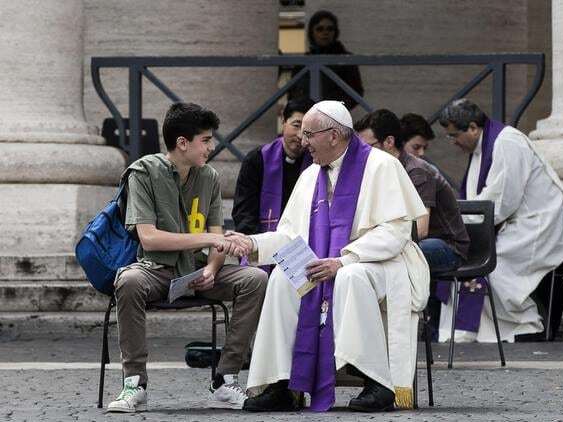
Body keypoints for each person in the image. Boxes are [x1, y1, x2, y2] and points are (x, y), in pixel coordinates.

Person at [222, 101, 429, 412]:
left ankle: (378, 383)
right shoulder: (310, 175)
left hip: (378, 264)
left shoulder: (382, 166)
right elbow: (291, 237)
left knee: (350, 276)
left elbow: (395, 233)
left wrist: (343, 260)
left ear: (333, 135)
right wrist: (251, 243)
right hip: (323, 264)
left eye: (309, 134)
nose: (303, 142)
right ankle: (282, 385)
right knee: (283, 276)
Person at [106, 103, 267, 413]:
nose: (211, 146)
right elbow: (149, 237)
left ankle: (225, 378)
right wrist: (209, 239)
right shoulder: (143, 172)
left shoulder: (209, 177)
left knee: (255, 279)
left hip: (196, 271)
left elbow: (218, 237)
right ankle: (134, 384)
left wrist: (212, 266)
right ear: (183, 143)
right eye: (205, 140)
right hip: (156, 269)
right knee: (128, 280)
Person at [436, 99, 563, 343]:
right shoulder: (482, 147)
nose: (453, 142)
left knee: (492, 266)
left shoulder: (508, 142)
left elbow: (503, 200)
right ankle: (476, 329)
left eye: (454, 135)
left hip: (537, 224)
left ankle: (524, 325)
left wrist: (464, 222)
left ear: (472, 128)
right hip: (513, 222)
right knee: (472, 259)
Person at [355, 109, 469, 273]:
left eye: (367, 147)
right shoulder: (377, 170)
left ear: (389, 142)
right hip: (407, 241)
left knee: (390, 256)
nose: (361, 154)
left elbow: (420, 230)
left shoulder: (417, 171)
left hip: (447, 246)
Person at [232, 97, 315, 236]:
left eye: (307, 130)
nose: (301, 135)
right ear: (283, 121)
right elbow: (244, 213)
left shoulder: (316, 161)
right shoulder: (257, 160)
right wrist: (260, 246)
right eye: (296, 125)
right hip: (262, 243)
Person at [287, 10, 364, 109]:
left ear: (335, 32)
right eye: (320, 29)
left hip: (335, 117)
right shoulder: (303, 62)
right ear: (312, 32)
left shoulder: (346, 59)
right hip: (306, 117)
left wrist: (336, 108)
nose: (325, 32)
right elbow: (293, 92)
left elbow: (356, 92)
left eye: (330, 29)